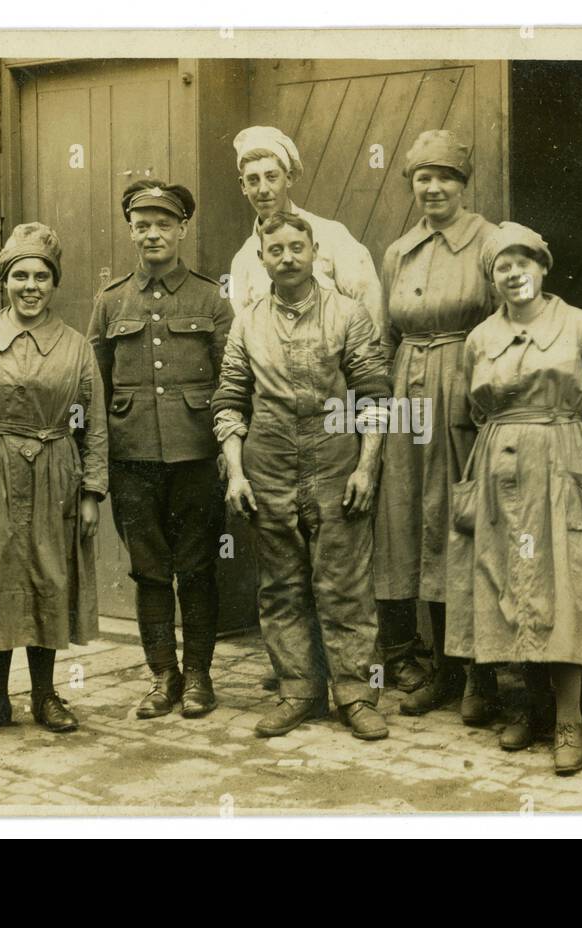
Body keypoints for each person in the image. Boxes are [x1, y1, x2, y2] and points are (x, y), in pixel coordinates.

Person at [445, 222, 582, 776]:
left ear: (543, 268)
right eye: (502, 265)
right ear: (492, 277)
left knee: (562, 581)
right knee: (507, 578)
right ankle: (529, 706)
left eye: (524, 261)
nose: (514, 272)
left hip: (562, 461)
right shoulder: (479, 338)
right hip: (501, 463)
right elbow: (475, 412)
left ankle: (571, 718)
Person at [212, 211, 391, 741]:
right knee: (282, 586)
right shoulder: (247, 321)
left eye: (297, 247)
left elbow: (375, 395)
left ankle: (355, 696)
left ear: (314, 252)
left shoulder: (348, 314)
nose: (287, 257)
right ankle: (299, 692)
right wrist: (236, 474)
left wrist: (367, 466)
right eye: (276, 250)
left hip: (336, 462)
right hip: (268, 465)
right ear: (262, 258)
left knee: (344, 585)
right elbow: (229, 400)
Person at [0, 222, 108, 740]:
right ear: (4, 282)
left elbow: (93, 424)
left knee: (47, 580)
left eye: (41, 276)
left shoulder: (77, 347)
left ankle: (44, 696)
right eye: (20, 276)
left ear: (54, 284)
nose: (30, 286)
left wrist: (92, 493)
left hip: (56, 475)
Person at [86, 181, 233, 720]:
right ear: (131, 231)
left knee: (196, 570)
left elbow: (232, 382)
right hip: (133, 462)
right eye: (142, 224)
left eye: (163, 224)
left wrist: (228, 455)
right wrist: (96, 471)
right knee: (149, 573)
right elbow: (94, 391)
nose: (153, 234)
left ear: (182, 230)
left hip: (197, 458)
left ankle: (198, 677)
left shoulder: (211, 298)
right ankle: (162, 677)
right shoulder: (110, 302)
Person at [371, 129, 501, 717]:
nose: (433, 187)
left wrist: (485, 399)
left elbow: (506, 324)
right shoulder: (399, 251)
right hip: (405, 393)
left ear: (462, 184)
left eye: (445, 176)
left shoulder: (490, 243)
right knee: (403, 518)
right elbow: (386, 336)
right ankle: (418, 663)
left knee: (459, 521)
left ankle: (472, 672)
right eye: (423, 177)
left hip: (463, 390)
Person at [228, 125, 383, 333]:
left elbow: (371, 307)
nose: (263, 189)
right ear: (243, 186)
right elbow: (243, 330)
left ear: (289, 178)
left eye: (271, 176)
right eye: (253, 180)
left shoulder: (332, 235)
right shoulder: (243, 259)